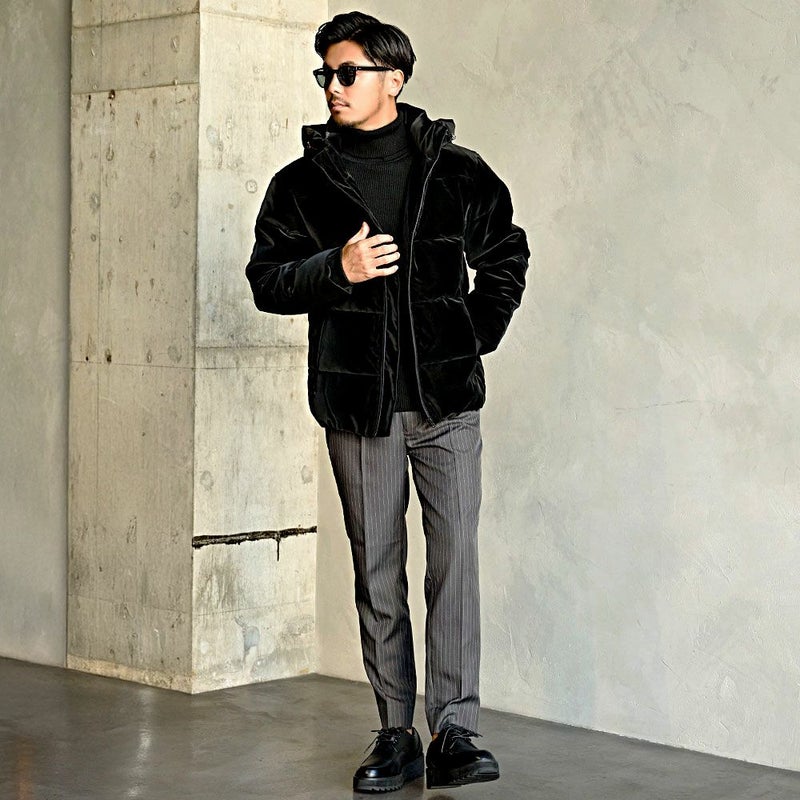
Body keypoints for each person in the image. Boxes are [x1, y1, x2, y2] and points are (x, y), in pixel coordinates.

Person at [246, 11, 529, 793]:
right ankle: (396, 733)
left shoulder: (457, 171)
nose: (332, 87)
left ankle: (456, 733)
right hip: (358, 409)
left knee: (455, 562)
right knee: (377, 569)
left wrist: (470, 335)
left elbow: (506, 253)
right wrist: (335, 269)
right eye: (326, 74)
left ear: (393, 79)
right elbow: (267, 280)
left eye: (347, 73)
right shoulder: (301, 184)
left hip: (446, 406)